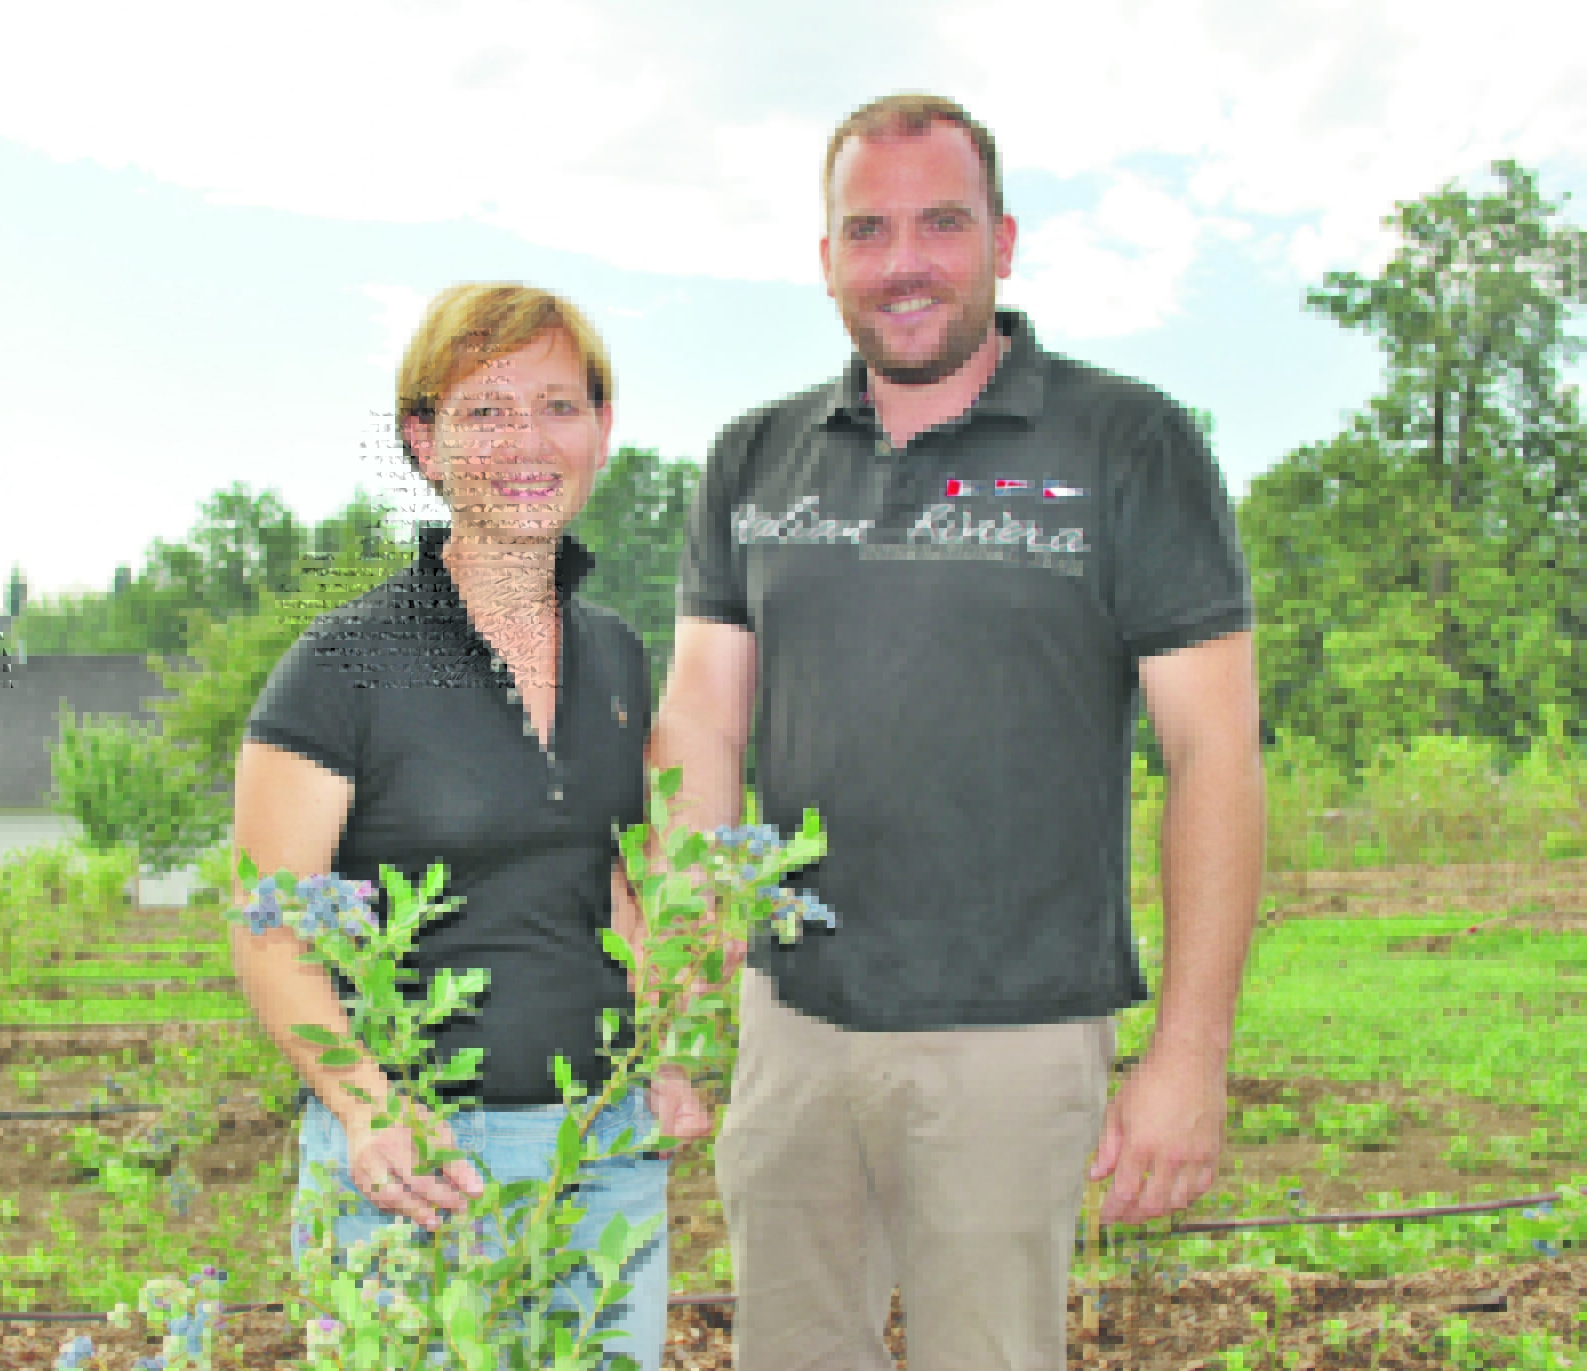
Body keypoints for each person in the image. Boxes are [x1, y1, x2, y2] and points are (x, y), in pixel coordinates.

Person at [650, 94, 1266, 1371]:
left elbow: (1212, 753)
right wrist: (685, 968)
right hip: (793, 1024)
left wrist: (1187, 1055)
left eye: (941, 222)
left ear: (1003, 239)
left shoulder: (1124, 442)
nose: (905, 262)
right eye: (866, 230)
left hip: (1013, 1037)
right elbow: (703, 715)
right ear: (825, 260)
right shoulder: (753, 458)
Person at [230, 282, 712, 1371]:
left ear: (600, 430)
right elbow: (265, 931)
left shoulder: (614, 656)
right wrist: (365, 1109)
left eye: (557, 406)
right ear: (424, 442)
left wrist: (665, 1056)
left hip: (601, 1157)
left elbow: (614, 889)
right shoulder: (343, 667)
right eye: (482, 412)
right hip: (417, 1164)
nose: (525, 443)